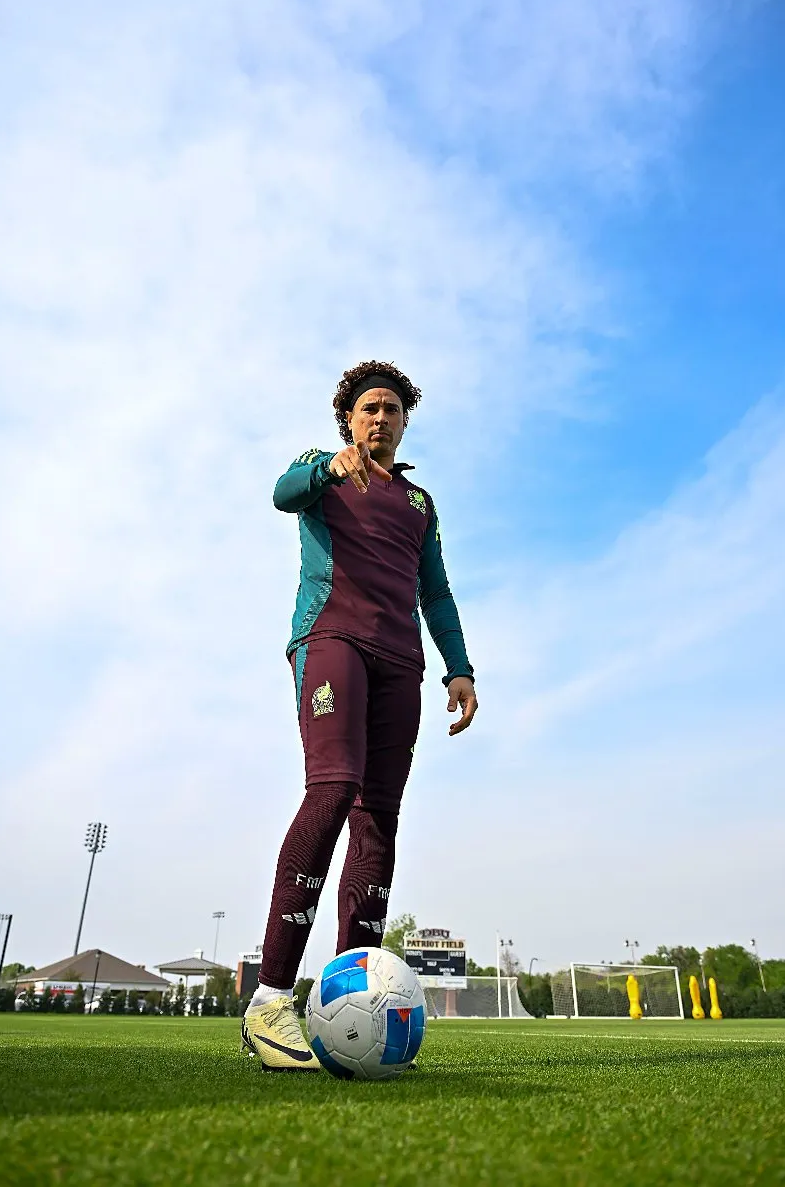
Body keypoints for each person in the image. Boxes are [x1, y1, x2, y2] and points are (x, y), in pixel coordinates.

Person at [241, 360, 477, 1069]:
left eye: (394, 409)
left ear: (406, 422)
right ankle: (268, 999)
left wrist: (458, 667)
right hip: (331, 641)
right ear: (349, 417)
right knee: (335, 787)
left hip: (401, 662)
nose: (381, 417)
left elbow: (435, 593)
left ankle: (352, 998)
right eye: (370, 407)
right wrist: (326, 472)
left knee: (380, 814)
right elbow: (281, 493)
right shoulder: (321, 468)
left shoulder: (420, 503)